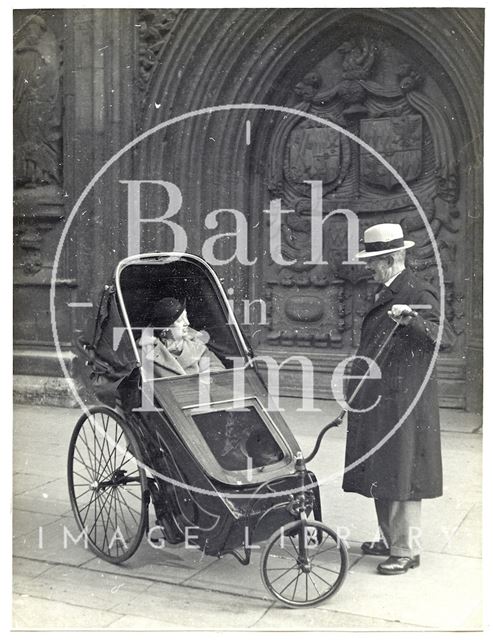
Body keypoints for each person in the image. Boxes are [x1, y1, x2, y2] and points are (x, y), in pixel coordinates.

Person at [342, 223, 454, 575]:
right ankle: (390, 539)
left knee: (403, 472)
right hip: (381, 398)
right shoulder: (387, 290)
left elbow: (444, 338)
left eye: (373, 262)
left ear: (391, 259)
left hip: (404, 401)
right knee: (382, 470)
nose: (369, 269)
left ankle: (405, 550)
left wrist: (413, 320)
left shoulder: (418, 291)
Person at [138, 297, 225, 378]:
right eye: (180, 321)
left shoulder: (197, 343)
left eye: (186, 317)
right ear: (166, 328)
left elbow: (217, 369)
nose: (187, 323)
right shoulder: (145, 351)